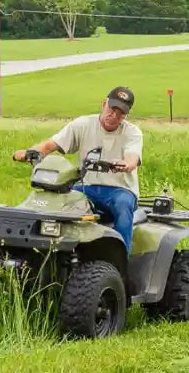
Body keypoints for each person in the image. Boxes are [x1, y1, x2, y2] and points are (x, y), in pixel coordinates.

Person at [13, 86, 143, 253]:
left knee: (123, 206)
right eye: (112, 109)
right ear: (104, 104)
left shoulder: (132, 133)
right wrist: (32, 152)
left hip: (119, 190)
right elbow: (51, 145)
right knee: (55, 200)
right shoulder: (83, 124)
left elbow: (132, 157)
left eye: (121, 113)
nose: (114, 115)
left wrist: (126, 164)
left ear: (126, 116)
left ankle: (119, 259)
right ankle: (44, 250)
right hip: (85, 187)